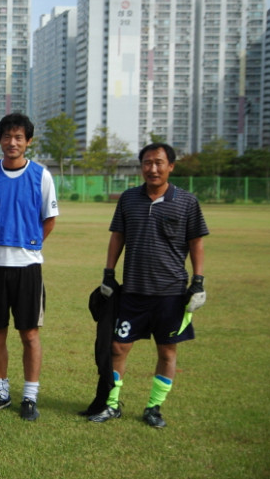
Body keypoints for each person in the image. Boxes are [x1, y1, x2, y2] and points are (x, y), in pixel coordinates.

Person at [88, 142, 208, 428]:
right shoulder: (128, 198)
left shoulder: (187, 201)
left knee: (167, 352)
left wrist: (198, 282)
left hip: (171, 294)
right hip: (133, 291)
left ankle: (154, 407)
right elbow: (117, 236)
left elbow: (196, 243)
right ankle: (112, 404)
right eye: (147, 163)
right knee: (118, 348)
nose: (152, 168)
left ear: (171, 166)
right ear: (141, 166)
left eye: (159, 163)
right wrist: (108, 273)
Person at [0, 113, 58, 421]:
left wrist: (28, 244)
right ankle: (1, 393)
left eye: (19, 137)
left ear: (28, 141)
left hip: (27, 267)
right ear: (0, 140)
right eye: (7, 137)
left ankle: (30, 397)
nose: (12, 142)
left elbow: (49, 220)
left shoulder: (41, 175)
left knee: (29, 334)